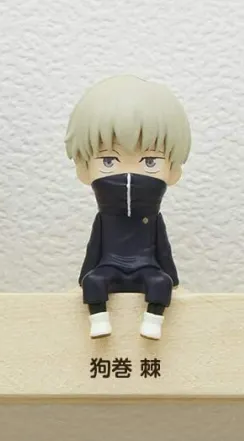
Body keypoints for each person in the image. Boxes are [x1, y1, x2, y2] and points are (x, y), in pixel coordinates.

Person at [65, 75, 191, 340]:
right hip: (109, 266)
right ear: (84, 170)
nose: (129, 175)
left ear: (173, 171)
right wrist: (84, 277)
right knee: (93, 281)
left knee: (161, 283)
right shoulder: (105, 218)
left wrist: (172, 279)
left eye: (150, 162)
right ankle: (99, 321)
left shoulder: (153, 218)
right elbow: (94, 247)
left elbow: (163, 248)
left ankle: (153, 321)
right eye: (108, 161)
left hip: (147, 267)